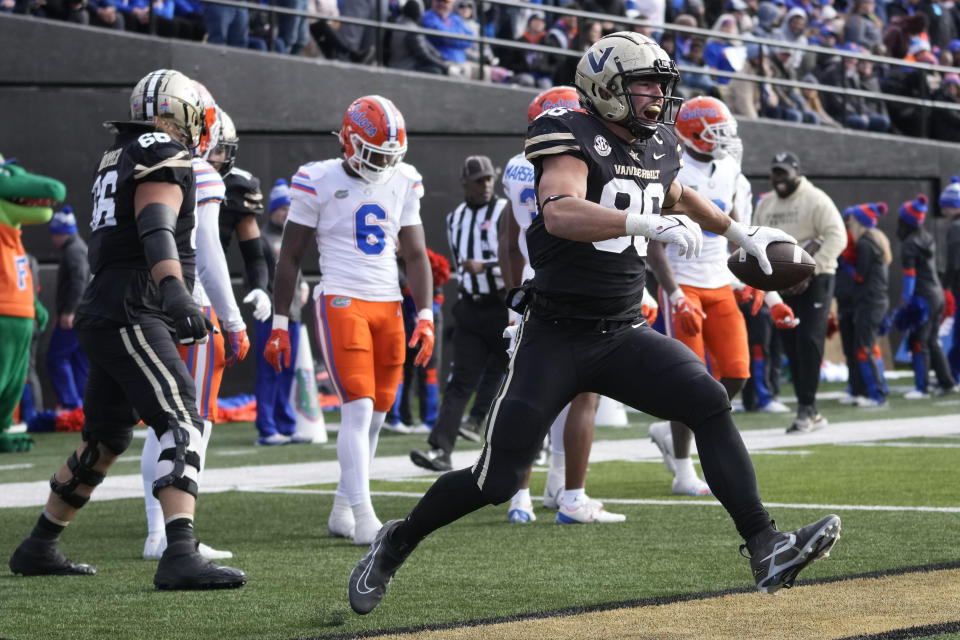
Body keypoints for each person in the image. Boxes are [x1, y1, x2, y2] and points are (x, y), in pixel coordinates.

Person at [347, 33, 840, 615]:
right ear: (606, 88)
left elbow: (676, 194)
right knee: (496, 481)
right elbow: (560, 213)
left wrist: (738, 233)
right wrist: (641, 225)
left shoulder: (656, 143)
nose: (659, 95)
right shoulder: (567, 133)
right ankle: (396, 541)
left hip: (621, 330)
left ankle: (766, 546)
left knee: (708, 399)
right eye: (645, 84)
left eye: (662, 84)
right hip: (553, 334)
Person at [8, 69, 245, 589]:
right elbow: (156, 224)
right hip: (134, 305)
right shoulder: (161, 148)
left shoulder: (120, 151)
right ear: (172, 114)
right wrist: (175, 289)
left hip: (106, 305)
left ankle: (38, 544)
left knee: (106, 438)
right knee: (183, 418)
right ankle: (179, 550)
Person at [265, 95, 435, 546]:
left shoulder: (404, 179)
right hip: (342, 300)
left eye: (389, 157)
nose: (381, 165)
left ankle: (343, 508)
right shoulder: (317, 179)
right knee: (357, 409)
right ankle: (363, 514)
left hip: (388, 304)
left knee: (378, 415)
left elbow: (416, 253)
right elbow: (292, 256)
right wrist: (280, 322)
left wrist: (425, 313)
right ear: (349, 141)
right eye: (374, 154)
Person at [646, 96, 796, 495]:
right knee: (689, 383)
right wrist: (673, 293)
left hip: (718, 280)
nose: (725, 140)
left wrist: (770, 295)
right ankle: (682, 471)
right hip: (683, 283)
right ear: (693, 133)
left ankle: (670, 430)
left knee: (736, 374)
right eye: (716, 133)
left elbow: (735, 236)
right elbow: (654, 241)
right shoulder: (671, 167)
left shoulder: (731, 170)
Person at [499, 86, 626, 524]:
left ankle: (527, 495)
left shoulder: (516, 169)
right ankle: (569, 494)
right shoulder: (581, 162)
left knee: (531, 395)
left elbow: (511, 237)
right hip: (577, 282)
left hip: (534, 285)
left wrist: (511, 297)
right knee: (579, 393)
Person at [140, 86, 249, 562]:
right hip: (190, 306)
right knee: (190, 423)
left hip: (143, 303)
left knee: (159, 424)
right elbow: (209, 253)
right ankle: (171, 534)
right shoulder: (197, 170)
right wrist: (233, 318)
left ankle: (157, 533)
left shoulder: (128, 162)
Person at [409, 155, 509, 473]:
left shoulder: (506, 211)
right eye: (479, 180)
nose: (486, 185)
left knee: (510, 373)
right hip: (470, 305)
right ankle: (441, 450)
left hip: (504, 303)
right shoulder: (455, 218)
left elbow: (519, 253)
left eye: (489, 179)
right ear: (465, 183)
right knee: (459, 382)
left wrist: (488, 266)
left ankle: (491, 425)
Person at [752, 151, 845, 434]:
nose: (779, 179)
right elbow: (754, 237)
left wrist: (811, 269)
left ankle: (807, 407)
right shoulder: (766, 204)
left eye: (784, 173)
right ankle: (810, 410)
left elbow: (837, 235)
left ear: (797, 173)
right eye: (775, 173)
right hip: (781, 282)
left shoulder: (815, 199)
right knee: (790, 343)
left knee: (809, 339)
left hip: (815, 279)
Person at [256, 179, 309, 445]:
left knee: (287, 370)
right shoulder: (262, 238)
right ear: (272, 209)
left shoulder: (292, 236)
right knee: (269, 370)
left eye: (289, 207)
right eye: (281, 207)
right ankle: (266, 428)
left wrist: (303, 285)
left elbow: (293, 269)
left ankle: (286, 425)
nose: (286, 212)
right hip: (270, 316)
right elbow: (260, 274)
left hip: (294, 315)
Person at [896, 194, 957, 397]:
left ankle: (921, 387)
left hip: (923, 297)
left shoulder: (909, 244)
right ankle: (947, 382)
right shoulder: (926, 237)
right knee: (931, 341)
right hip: (937, 293)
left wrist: (906, 299)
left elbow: (910, 276)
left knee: (919, 342)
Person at [845, 202, 892, 407]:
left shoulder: (864, 243)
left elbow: (860, 275)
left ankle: (877, 394)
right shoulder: (876, 240)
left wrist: (845, 264)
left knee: (865, 347)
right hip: (877, 300)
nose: (849, 224)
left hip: (869, 301)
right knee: (870, 345)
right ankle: (880, 390)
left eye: (852, 220)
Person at [46, 207, 90, 412]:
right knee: (78, 359)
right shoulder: (78, 248)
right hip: (83, 314)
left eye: (54, 233)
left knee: (57, 356)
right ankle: (81, 406)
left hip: (76, 315)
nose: (52, 239)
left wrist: (69, 311)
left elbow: (78, 282)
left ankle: (71, 404)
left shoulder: (73, 250)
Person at [941, 177, 960, 381]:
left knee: (958, 335)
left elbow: (954, 263)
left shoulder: (955, 228)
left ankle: (953, 374)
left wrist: (945, 286)